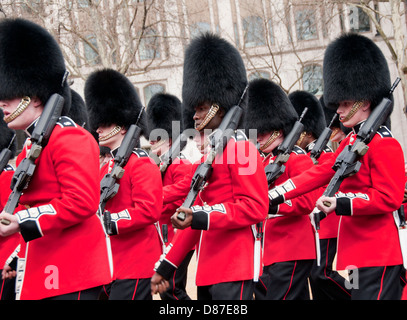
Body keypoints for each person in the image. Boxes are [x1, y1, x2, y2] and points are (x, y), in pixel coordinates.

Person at [268, 33, 406, 300]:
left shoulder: (385, 144)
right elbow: (321, 171)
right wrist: (276, 193)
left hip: (379, 250)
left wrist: (342, 202)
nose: (338, 112)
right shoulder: (352, 141)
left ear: (364, 102)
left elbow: (389, 198)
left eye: (344, 104)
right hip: (353, 250)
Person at [151, 33, 269, 300]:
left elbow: (255, 206)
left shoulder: (241, 147)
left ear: (218, 106)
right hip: (209, 269)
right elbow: (194, 214)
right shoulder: (214, 154)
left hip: (236, 266)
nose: (194, 115)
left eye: (201, 108)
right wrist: (166, 265)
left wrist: (202, 216)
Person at [0, 18, 112, 300]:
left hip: (70, 273)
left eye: (9, 95)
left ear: (35, 97)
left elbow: (80, 201)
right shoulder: (32, 145)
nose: (2, 103)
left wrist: (21, 220)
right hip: (45, 268)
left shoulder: (68, 137)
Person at [85, 68, 163, 300]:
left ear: (120, 125)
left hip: (135, 262)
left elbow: (149, 210)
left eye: (104, 124)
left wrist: (110, 221)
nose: (97, 128)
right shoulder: (105, 166)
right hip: (110, 262)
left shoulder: (140, 162)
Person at [245, 79, 317, 300]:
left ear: (277, 129)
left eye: (262, 132)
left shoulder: (298, 159)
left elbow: (306, 203)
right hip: (273, 249)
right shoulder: (265, 162)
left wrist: (270, 206)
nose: (257, 138)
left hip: (293, 247)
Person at [146, 92, 194, 300]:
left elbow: (184, 190)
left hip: (178, 235)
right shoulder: (163, 164)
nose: (153, 145)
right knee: (170, 290)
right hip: (166, 234)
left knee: (171, 288)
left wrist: (153, 195)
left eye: (157, 141)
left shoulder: (181, 163)